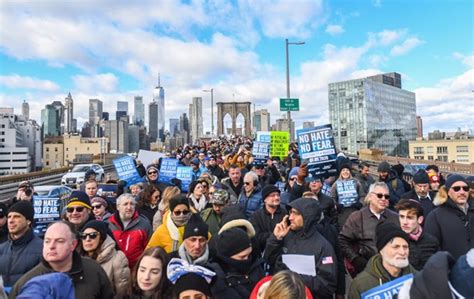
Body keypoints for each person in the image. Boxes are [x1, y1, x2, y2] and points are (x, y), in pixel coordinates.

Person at [10, 221, 114, 298]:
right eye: (47, 241)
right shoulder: (28, 282)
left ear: (73, 245)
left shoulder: (93, 270)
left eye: (59, 241)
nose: (51, 246)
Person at [264, 198, 337, 298]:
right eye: (290, 213)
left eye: (295, 213)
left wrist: (293, 278)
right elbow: (268, 261)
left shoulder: (323, 246)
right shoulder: (284, 236)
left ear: (307, 216)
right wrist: (275, 238)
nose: (290, 217)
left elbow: (327, 285)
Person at [339, 182, 399, 277]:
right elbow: (343, 240)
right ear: (370, 196)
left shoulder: (395, 217)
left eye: (386, 196)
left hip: (392, 270)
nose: (383, 199)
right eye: (379, 195)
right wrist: (355, 259)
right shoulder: (357, 217)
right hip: (367, 271)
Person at [348, 222, 416, 299]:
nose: (402, 252)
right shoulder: (361, 285)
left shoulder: (417, 278)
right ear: (381, 251)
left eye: (405, 247)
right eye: (396, 247)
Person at [425, 174, 474, 260]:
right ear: (448, 192)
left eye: (465, 188)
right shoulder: (435, 216)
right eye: (456, 189)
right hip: (452, 270)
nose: (462, 192)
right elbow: (430, 249)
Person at [207, 227, 265, 298]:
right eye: (242, 257)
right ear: (227, 256)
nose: (247, 259)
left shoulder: (255, 264)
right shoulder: (217, 278)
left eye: (249, 255)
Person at [79, 220, 130, 296]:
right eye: (83, 236)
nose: (87, 239)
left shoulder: (118, 259)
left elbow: (122, 294)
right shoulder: (78, 258)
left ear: (102, 238)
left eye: (93, 235)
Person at [0, 201, 42, 289]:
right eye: (9, 217)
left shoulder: (42, 248)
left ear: (28, 221)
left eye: (16, 216)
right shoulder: (2, 249)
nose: (11, 221)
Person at [108, 193, 152, 269]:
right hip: (113, 269)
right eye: (125, 204)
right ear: (118, 207)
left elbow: (149, 249)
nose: (129, 207)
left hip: (136, 269)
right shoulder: (108, 224)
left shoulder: (144, 225)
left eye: (132, 204)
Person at [394, 199, 439, 270]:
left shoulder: (432, 241)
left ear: (420, 220)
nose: (404, 222)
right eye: (402, 217)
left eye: (409, 217)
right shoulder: (393, 241)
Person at [249, 185, 287, 256]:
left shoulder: (285, 214)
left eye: (278, 195)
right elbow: (256, 237)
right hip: (262, 252)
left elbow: (287, 235)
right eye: (272, 195)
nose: (276, 197)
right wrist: (275, 235)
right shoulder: (256, 216)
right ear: (265, 199)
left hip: (282, 253)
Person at [331, 161, 364, 228]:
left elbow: (362, 195)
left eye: (347, 170)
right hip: (342, 212)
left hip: (354, 210)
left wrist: (360, 203)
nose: (345, 172)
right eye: (343, 170)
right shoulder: (335, 184)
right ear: (340, 172)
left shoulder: (356, 181)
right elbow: (332, 197)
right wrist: (336, 205)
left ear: (350, 172)